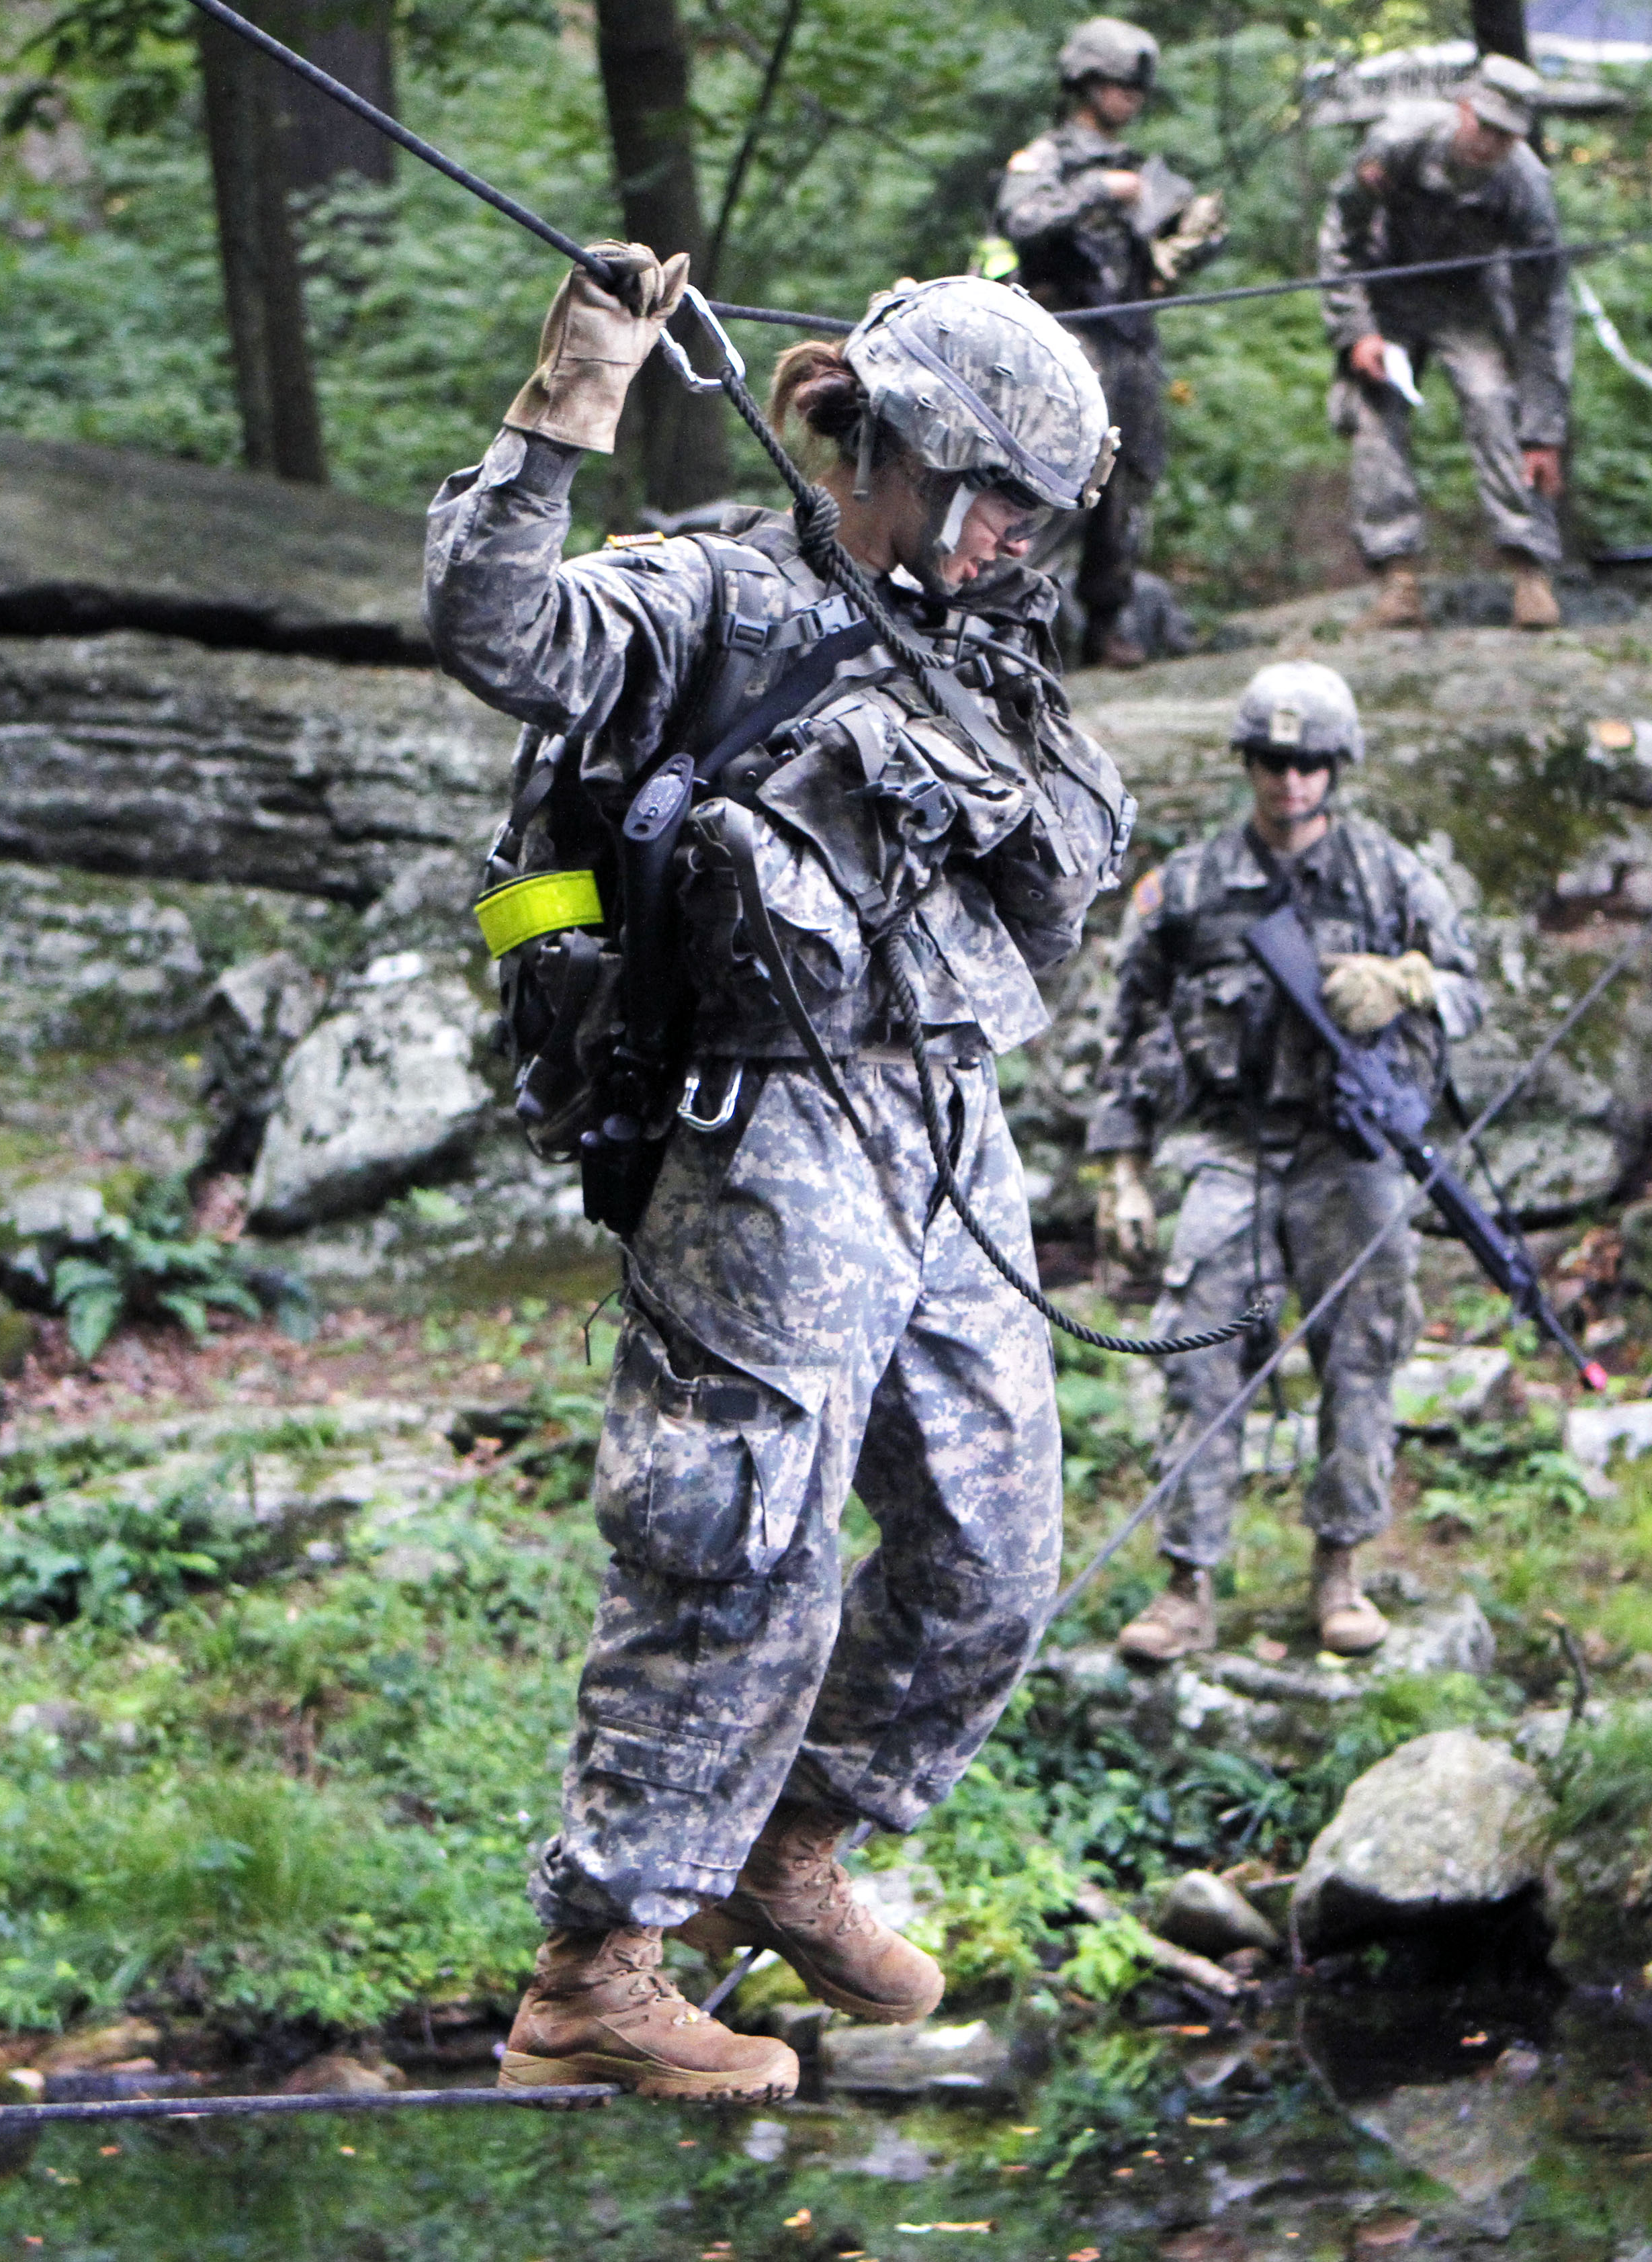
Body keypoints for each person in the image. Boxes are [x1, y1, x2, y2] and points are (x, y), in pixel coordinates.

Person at [431, 256, 1135, 2101]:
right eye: (988, 500)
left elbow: (1065, 879)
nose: (1005, 545)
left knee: (993, 1543)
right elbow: (498, 627)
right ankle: (602, 1956)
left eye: (1032, 519)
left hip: (947, 1121)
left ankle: (792, 1846)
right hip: (765, 1129)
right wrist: (574, 385)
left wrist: (986, 800)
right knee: (737, 1535)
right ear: (888, 449)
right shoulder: (715, 598)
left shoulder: (979, 661)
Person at [1086, 660, 1484, 1663]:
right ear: (1246, 763)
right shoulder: (1186, 885)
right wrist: (1122, 1169)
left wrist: (1408, 982)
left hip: (1344, 1150)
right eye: (1271, 759)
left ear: (1335, 768)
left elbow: (1472, 993)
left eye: (1308, 762)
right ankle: (1186, 1585)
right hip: (1226, 1144)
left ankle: (1340, 1566)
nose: (1289, 781)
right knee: (1195, 1353)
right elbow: (1127, 1028)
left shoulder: (1390, 877)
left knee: (1361, 1356)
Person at [996, 17, 1227, 668]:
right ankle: (1011, 625)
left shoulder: (1141, 168)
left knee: (1127, 487)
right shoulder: (1046, 160)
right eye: (1118, 85)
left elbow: (1167, 254)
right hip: (1065, 338)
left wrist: (1193, 236)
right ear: (1085, 83)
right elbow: (1019, 220)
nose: (1129, 99)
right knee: (1053, 479)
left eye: (1136, 91)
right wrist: (1100, 190)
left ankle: (1107, 618)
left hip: (1130, 344)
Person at [1316, 52, 1574, 633]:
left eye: (1506, 135)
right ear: (1463, 110)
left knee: (1493, 403)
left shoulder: (1527, 188)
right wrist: (1357, 330)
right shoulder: (1397, 142)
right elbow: (1342, 235)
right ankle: (1396, 578)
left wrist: (1545, 429)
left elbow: (1543, 313)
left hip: (1469, 300)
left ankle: (1530, 570)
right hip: (1389, 291)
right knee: (1376, 413)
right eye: (1484, 126)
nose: (1490, 144)